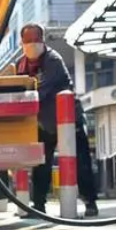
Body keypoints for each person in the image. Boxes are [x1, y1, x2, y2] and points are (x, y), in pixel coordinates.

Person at [14, 23, 100, 217]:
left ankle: (90, 202)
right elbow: (17, 86)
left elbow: (40, 92)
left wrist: (23, 99)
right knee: (40, 165)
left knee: (80, 162)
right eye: (27, 41)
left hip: (68, 120)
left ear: (42, 40)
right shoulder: (21, 64)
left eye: (35, 40)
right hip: (43, 122)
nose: (32, 44)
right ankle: (39, 205)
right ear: (22, 42)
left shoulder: (53, 60)